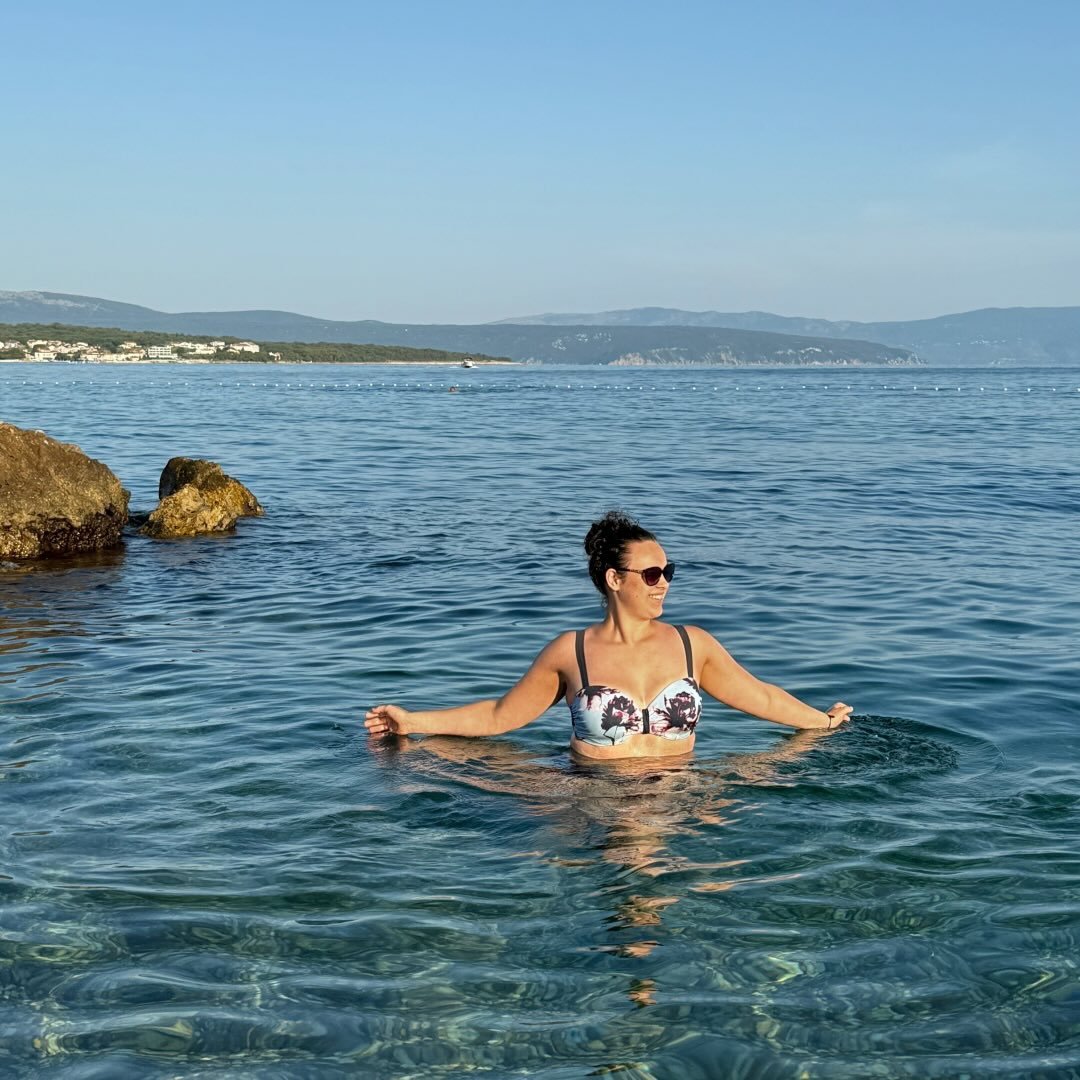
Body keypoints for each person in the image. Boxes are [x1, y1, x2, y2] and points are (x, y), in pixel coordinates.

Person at [364, 511, 852, 758]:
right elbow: (499, 715)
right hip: (593, 793)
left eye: (668, 571)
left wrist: (822, 723)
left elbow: (761, 697)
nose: (664, 583)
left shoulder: (692, 645)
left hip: (682, 791)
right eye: (652, 574)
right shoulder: (571, 651)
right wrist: (413, 722)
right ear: (614, 579)